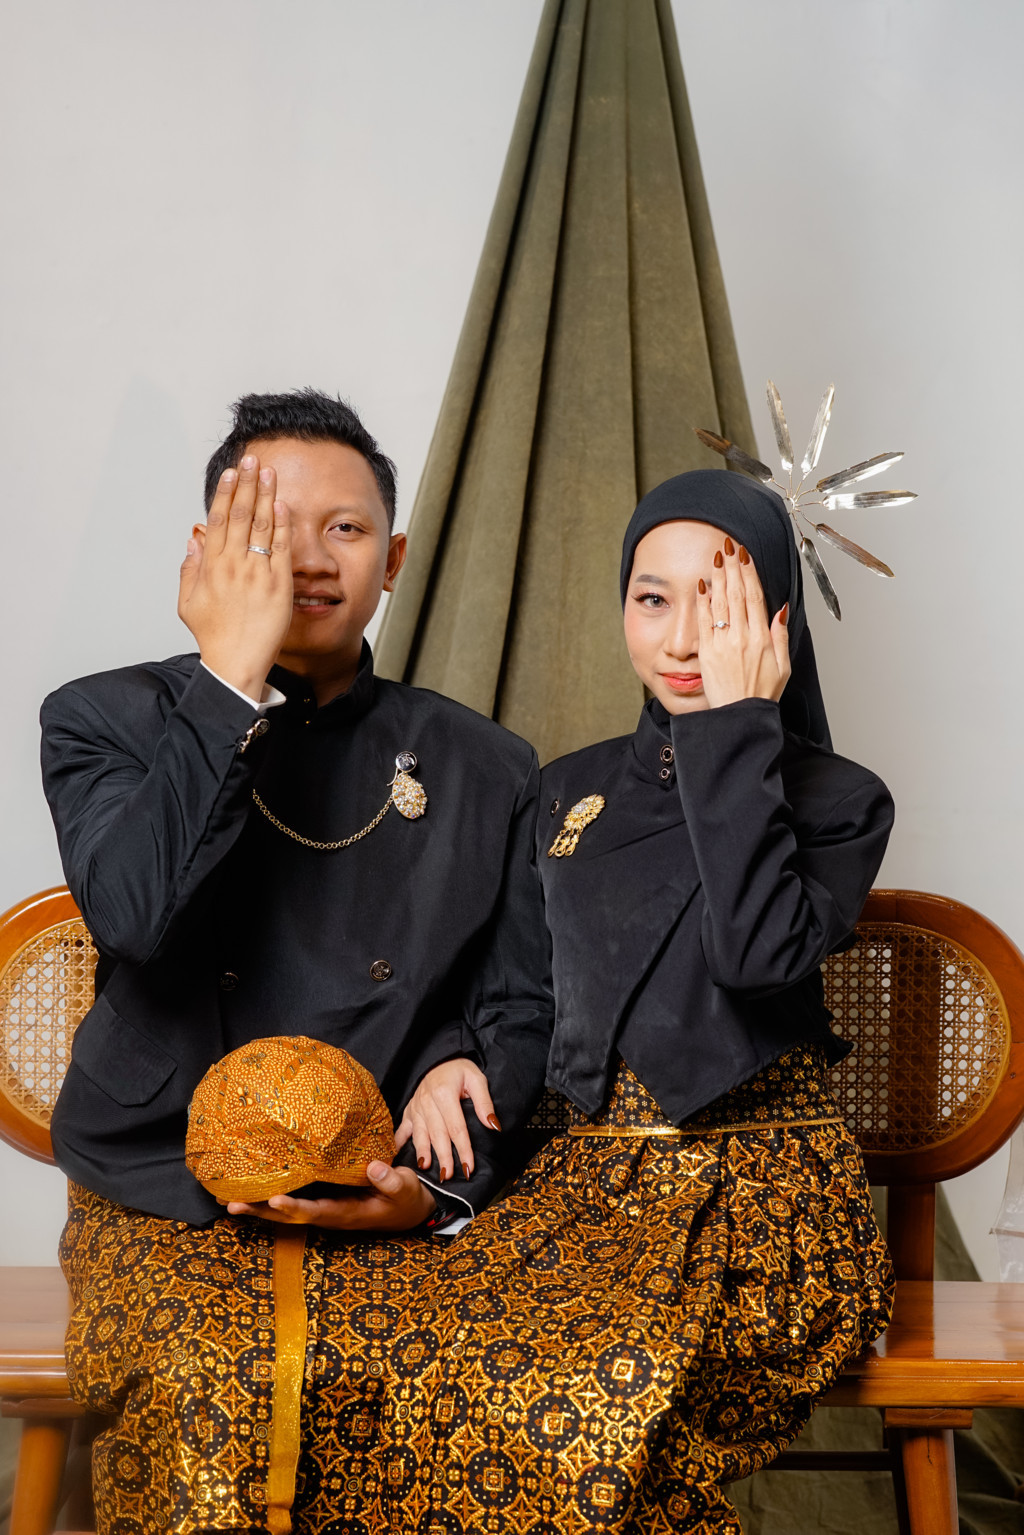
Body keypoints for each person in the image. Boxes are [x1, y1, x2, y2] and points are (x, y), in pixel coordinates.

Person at [40, 389, 553, 1534]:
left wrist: (437, 1174)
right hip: (161, 1187)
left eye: (347, 528)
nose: (311, 560)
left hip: (379, 1187)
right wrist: (230, 679)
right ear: (209, 553)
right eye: (272, 529)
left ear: (393, 560)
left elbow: (521, 1000)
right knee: (205, 1399)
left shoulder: (487, 763)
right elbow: (135, 916)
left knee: (492, 1402)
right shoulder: (100, 717)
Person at [376, 469, 896, 1535]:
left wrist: (736, 726)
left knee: (577, 1393)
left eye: (720, 602)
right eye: (652, 598)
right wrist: (454, 1066)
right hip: (582, 1193)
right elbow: (526, 999)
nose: (683, 636)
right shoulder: (567, 791)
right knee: (400, 1356)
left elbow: (754, 955)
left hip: (759, 1208)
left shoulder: (842, 800)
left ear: (776, 623)